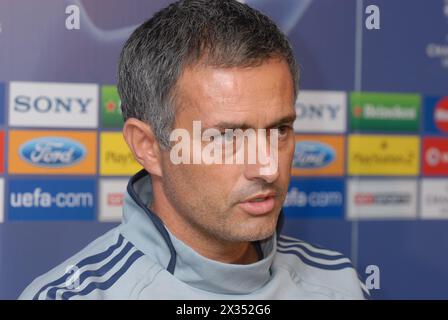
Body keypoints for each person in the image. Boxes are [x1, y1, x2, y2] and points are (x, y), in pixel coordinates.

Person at [20, 0, 368, 300]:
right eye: (229, 135)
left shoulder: (338, 284)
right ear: (148, 147)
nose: (268, 168)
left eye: (280, 129)